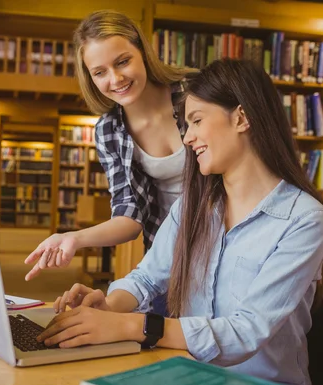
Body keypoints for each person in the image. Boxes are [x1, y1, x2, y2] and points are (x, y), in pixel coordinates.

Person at [36, 58, 323, 385]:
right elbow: (146, 278)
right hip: (190, 381)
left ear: (241, 117)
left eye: (196, 121)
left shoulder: (305, 221)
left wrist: (130, 327)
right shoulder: (193, 207)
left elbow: (246, 332)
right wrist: (107, 308)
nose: (188, 138)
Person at [24, 10, 196, 293]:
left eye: (123, 61)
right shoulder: (108, 130)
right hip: (169, 255)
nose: (115, 79)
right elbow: (129, 216)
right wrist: (74, 238)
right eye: (100, 72)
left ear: (142, 51)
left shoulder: (196, 91)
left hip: (228, 241)